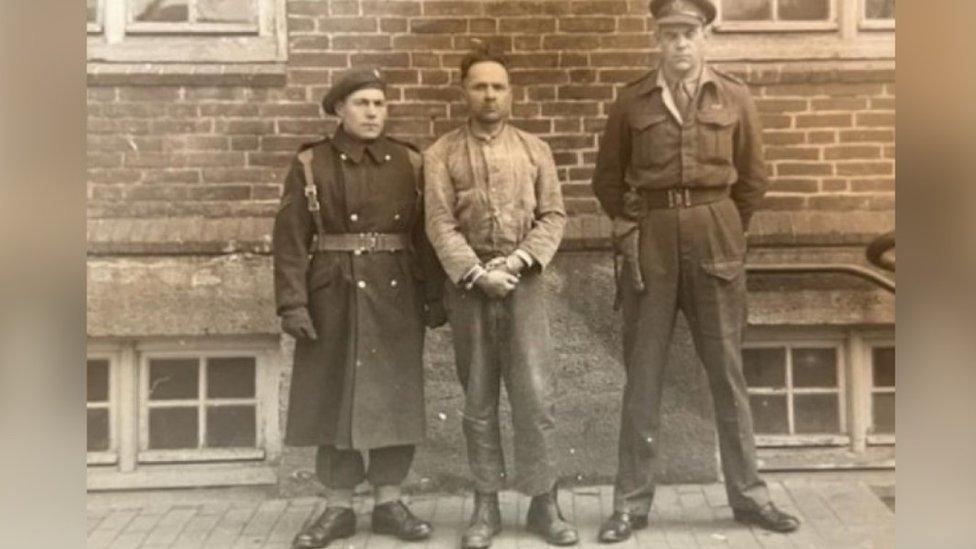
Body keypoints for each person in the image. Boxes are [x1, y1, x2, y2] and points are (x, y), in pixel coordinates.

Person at [590, 0, 801, 541]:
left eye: (689, 33)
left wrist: (726, 225)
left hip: (716, 228)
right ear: (656, 39)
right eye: (669, 34)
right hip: (654, 233)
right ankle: (631, 505)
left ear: (707, 35)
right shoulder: (631, 100)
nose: (679, 44)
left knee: (727, 374)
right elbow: (608, 179)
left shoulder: (734, 97)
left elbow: (752, 178)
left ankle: (750, 497)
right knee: (643, 377)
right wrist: (629, 228)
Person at [272, 67, 446, 549]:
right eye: (362, 103)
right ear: (338, 110)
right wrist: (293, 303)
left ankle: (390, 502)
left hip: (395, 295)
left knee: (396, 396)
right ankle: (338, 507)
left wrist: (434, 295)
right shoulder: (311, 164)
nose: (373, 112)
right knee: (333, 396)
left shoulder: (409, 163)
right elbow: (289, 240)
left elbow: (425, 237)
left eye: (380, 104)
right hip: (334, 292)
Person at [423, 49, 578, 549]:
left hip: (523, 283)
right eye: (478, 86)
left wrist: (515, 264)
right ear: (463, 92)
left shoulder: (536, 150)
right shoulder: (440, 154)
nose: (489, 95)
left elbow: (553, 216)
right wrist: (475, 273)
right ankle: (485, 502)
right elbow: (439, 223)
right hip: (470, 287)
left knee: (535, 395)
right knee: (478, 399)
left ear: (511, 93)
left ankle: (543, 502)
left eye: (498, 87)